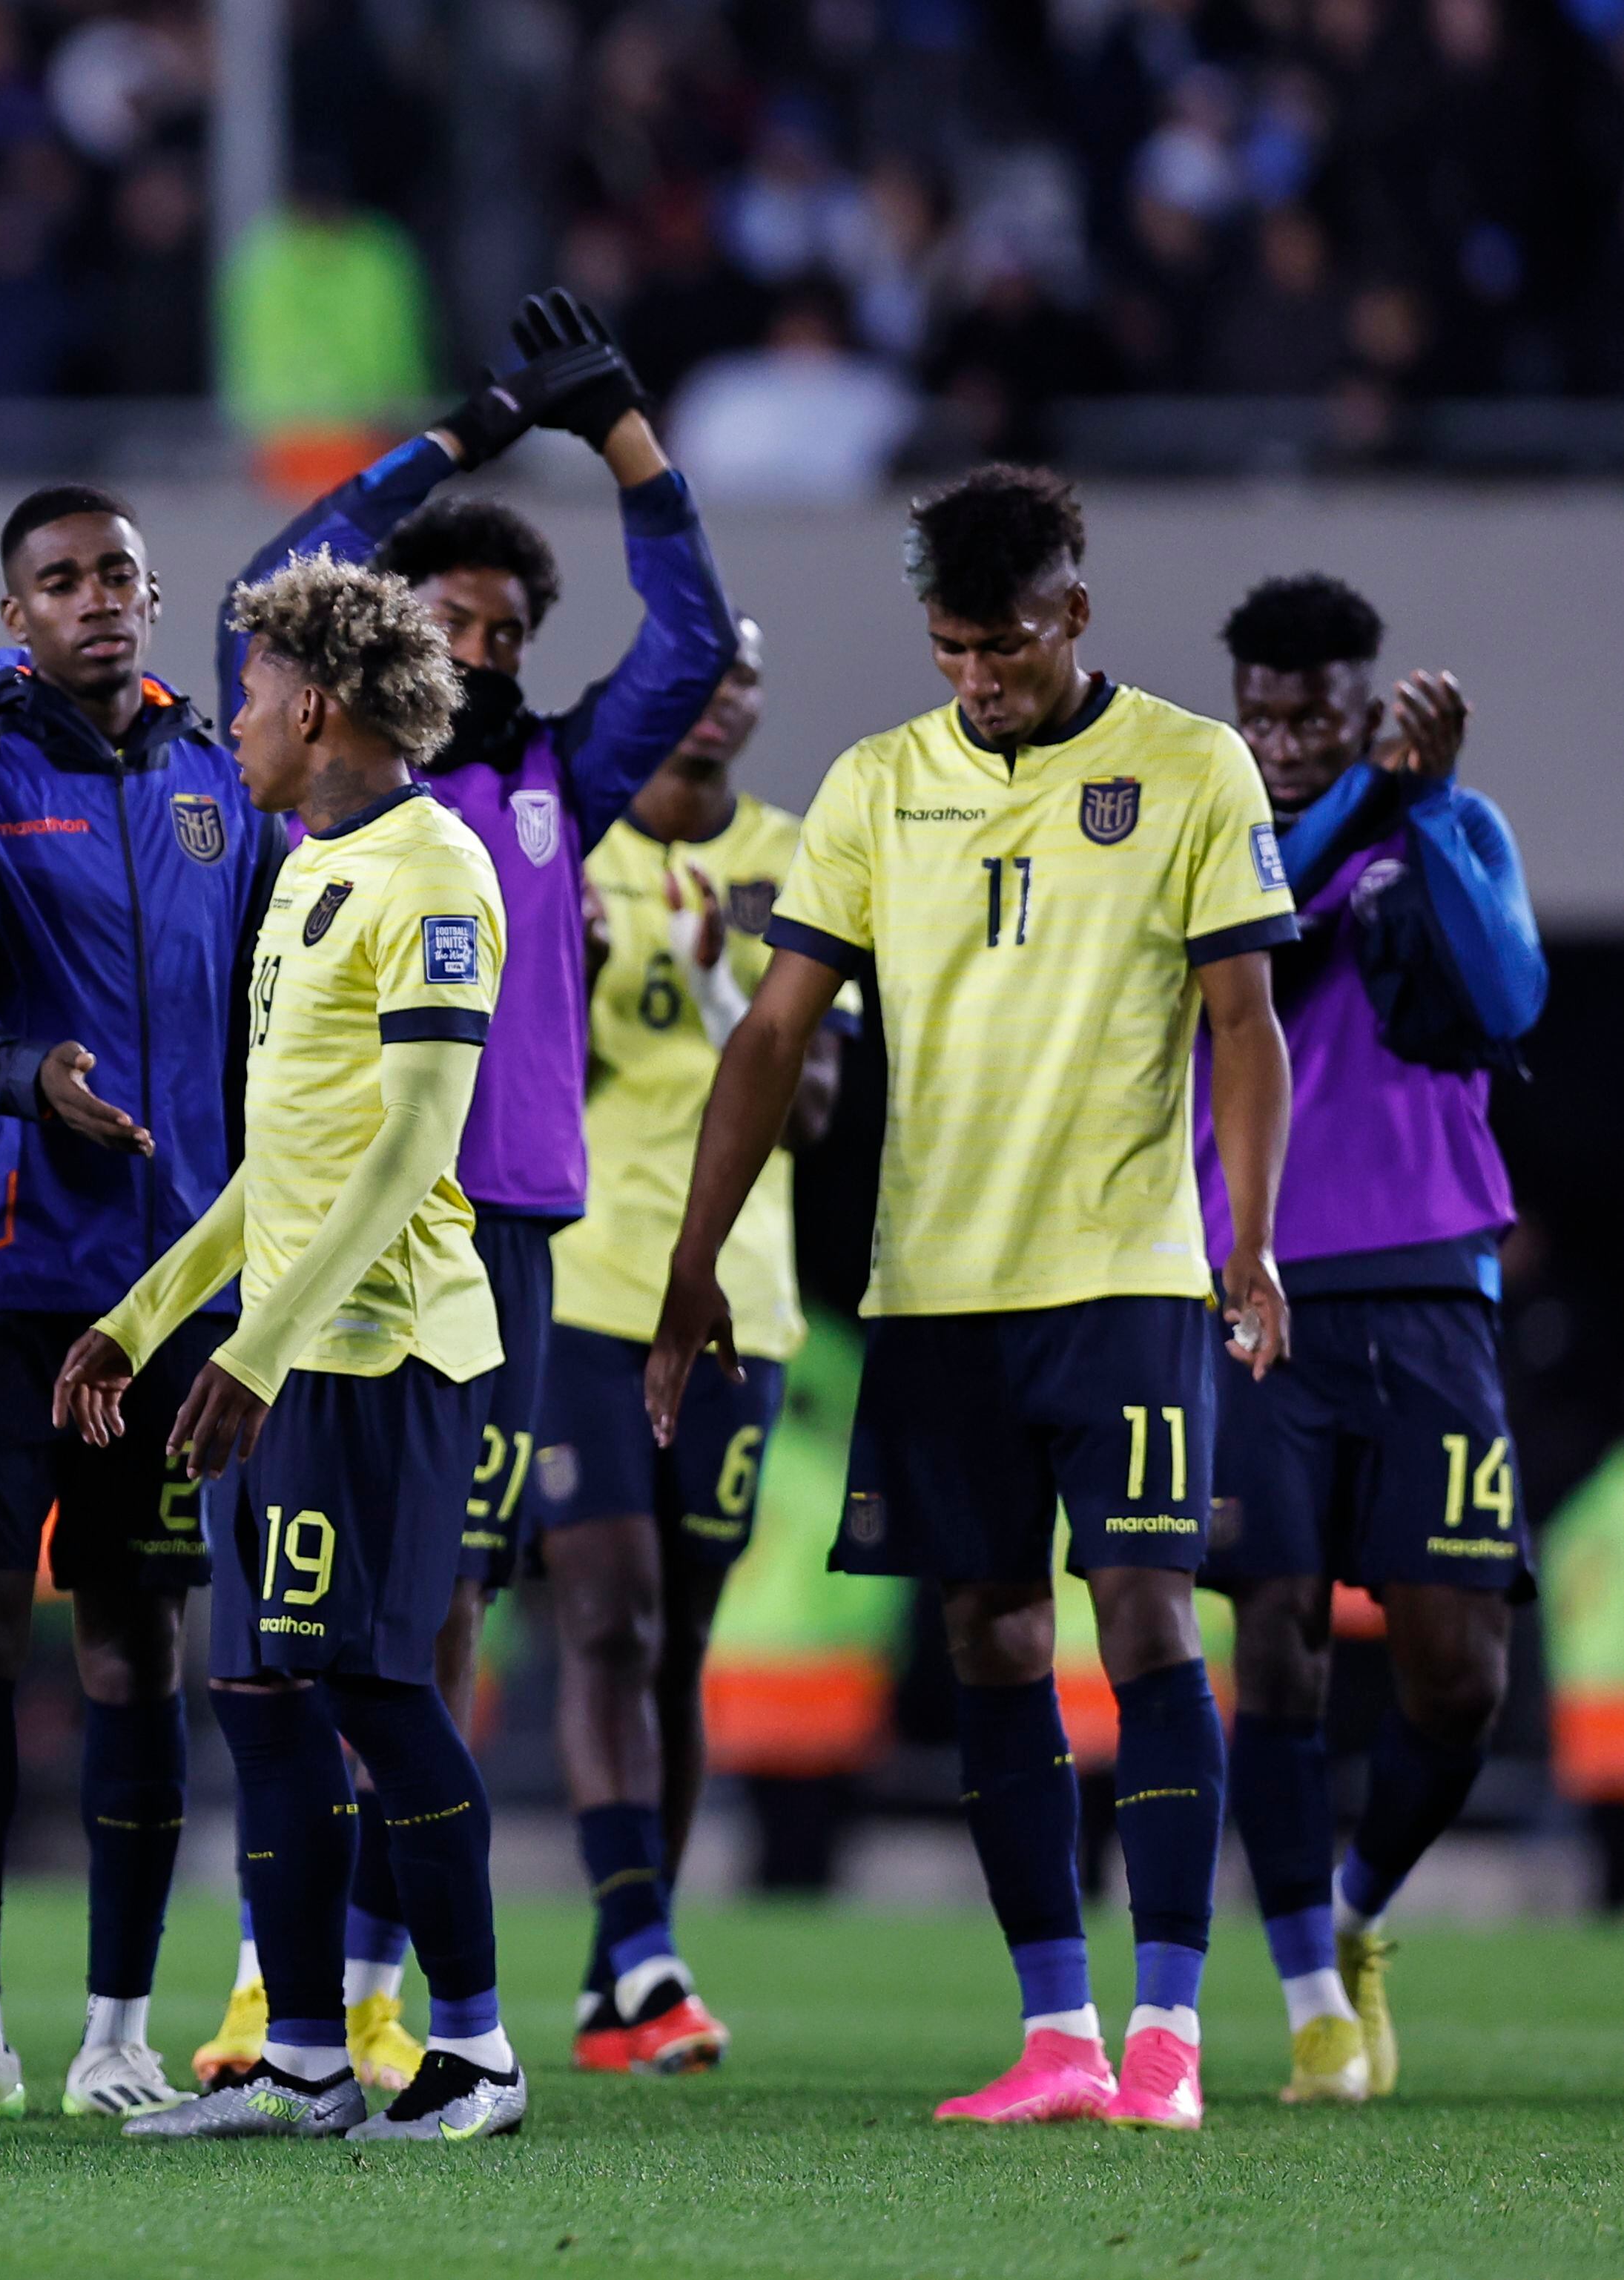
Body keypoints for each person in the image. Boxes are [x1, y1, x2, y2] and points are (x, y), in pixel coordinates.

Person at [647, 467, 1298, 2132]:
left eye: (1003, 645)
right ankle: (1055, 2033)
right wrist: (692, 1255)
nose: (977, 677)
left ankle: (1166, 2037)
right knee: (986, 1632)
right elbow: (774, 1033)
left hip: (1126, 1276)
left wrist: (1249, 1240)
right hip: (936, 1291)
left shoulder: (1185, 767)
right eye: (950, 647)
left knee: (1145, 1618)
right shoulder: (877, 788)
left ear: (1072, 613)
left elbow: (1243, 1021)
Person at [206, 288, 734, 2090]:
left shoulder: (544, 784)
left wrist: (627, 438)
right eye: (456, 615)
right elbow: (280, 574)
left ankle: (393, 1990)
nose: (489, 644)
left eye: (513, 624)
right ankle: (308, 2003)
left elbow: (693, 633)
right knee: (306, 1635)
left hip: (489, 1242)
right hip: (311, 1226)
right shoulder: (319, 786)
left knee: (425, 1620)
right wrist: (475, 425)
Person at [59, 550, 526, 2149]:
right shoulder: (306, 869)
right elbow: (284, 1164)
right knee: (256, 1689)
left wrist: (259, 1348)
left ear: (315, 706)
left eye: (251, 693)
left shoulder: (432, 871)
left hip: (378, 1356)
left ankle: (474, 2051)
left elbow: (408, 1152)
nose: (234, 718)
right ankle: (310, 2056)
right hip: (284, 1346)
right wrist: (136, 1314)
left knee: (377, 1688)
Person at [0, 482, 274, 2124]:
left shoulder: (221, 780)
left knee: (134, 1644)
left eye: (117, 573)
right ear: (11, 610)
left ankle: (117, 2032)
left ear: (152, 594)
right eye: (59, 580)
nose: (95, 598)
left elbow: (260, 1016)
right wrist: (28, 1078)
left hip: (174, 1282)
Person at [1203, 575, 1543, 2105]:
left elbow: (1505, 999)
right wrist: (1365, 794)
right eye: (1261, 716)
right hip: (1254, 1283)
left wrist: (1431, 812)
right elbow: (1252, 919)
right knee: (1266, 1634)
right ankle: (1303, 2004)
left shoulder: (1450, 830)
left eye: (1315, 718)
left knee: (1456, 1677)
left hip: (1425, 1287)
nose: (1281, 740)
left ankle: (1356, 1916)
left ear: (1365, 700)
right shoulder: (1211, 841)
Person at [531, 618, 845, 2072]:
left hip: (734, 1302)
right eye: (697, 678)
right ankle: (650, 1947)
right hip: (584, 1285)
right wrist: (559, 976)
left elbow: (821, 1103)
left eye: (742, 681)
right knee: (607, 1610)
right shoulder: (567, 845)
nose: (719, 704)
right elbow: (512, 1078)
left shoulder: (797, 854)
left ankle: (618, 1977)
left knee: (681, 1642)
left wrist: (729, 988)